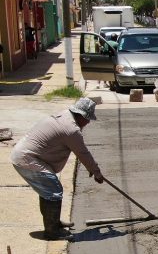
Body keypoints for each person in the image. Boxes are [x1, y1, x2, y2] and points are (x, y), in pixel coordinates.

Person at [10, 97, 104, 241]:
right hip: (27, 159)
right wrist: (96, 172)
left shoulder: (65, 115)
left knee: (48, 190)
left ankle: (54, 223)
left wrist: (92, 169)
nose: (88, 122)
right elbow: (83, 153)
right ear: (81, 116)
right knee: (53, 190)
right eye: (88, 119)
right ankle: (52, 231)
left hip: (27, 155)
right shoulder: (71, 130)